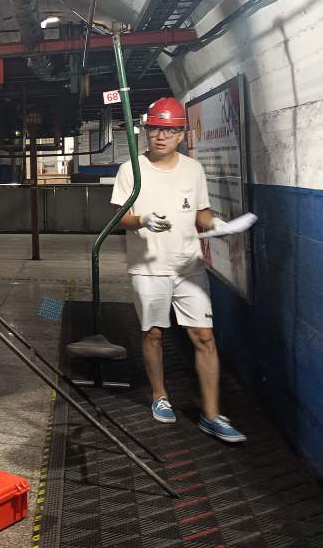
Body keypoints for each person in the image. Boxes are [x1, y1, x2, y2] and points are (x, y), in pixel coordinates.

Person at [110, 97, 246, 443]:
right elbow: (120, 217)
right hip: (148, 267)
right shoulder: (131, 169)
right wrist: (143, 219)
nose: (160, 136)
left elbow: (201, 211)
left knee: (204, 337)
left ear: (182, 135)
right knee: (154, 333)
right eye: (155, 128)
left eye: (169, 130)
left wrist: (215, 223)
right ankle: (160, 395)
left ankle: (211, 415)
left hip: (189, 266)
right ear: (146, 131)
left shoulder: (192, 169)